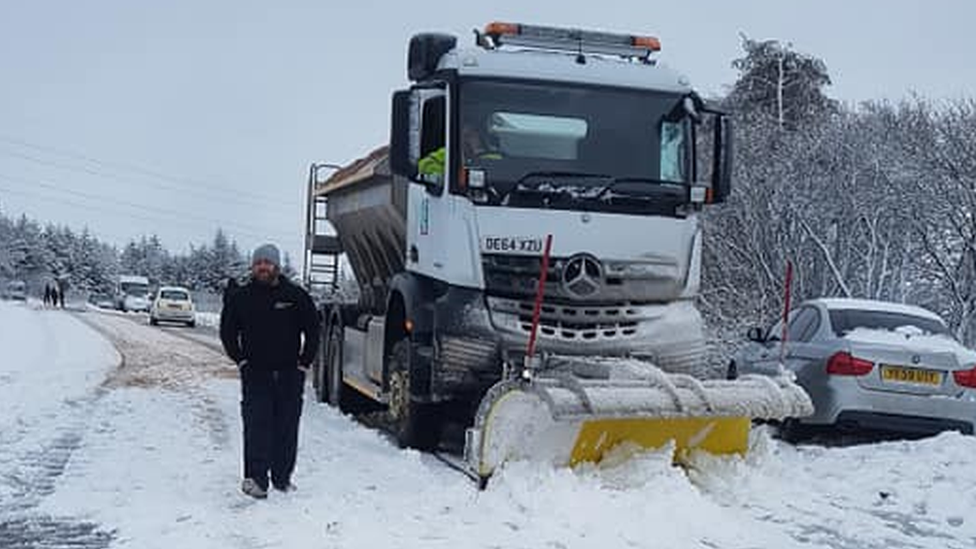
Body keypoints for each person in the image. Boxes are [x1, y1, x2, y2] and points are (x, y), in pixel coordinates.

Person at [219, 244, 320, 499]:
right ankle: (256, 480)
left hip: (289, 374)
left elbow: (313, 330)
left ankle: (282, 478)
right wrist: (240, 360)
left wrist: (304, 363)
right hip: (255, 373)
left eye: (268, 262)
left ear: (277, 266)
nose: (263, 267)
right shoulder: (241, 297)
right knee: (256, 425)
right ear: (253, 267)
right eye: (258, 263)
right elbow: (228, 330)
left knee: (286, 427)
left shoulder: (295, 296)